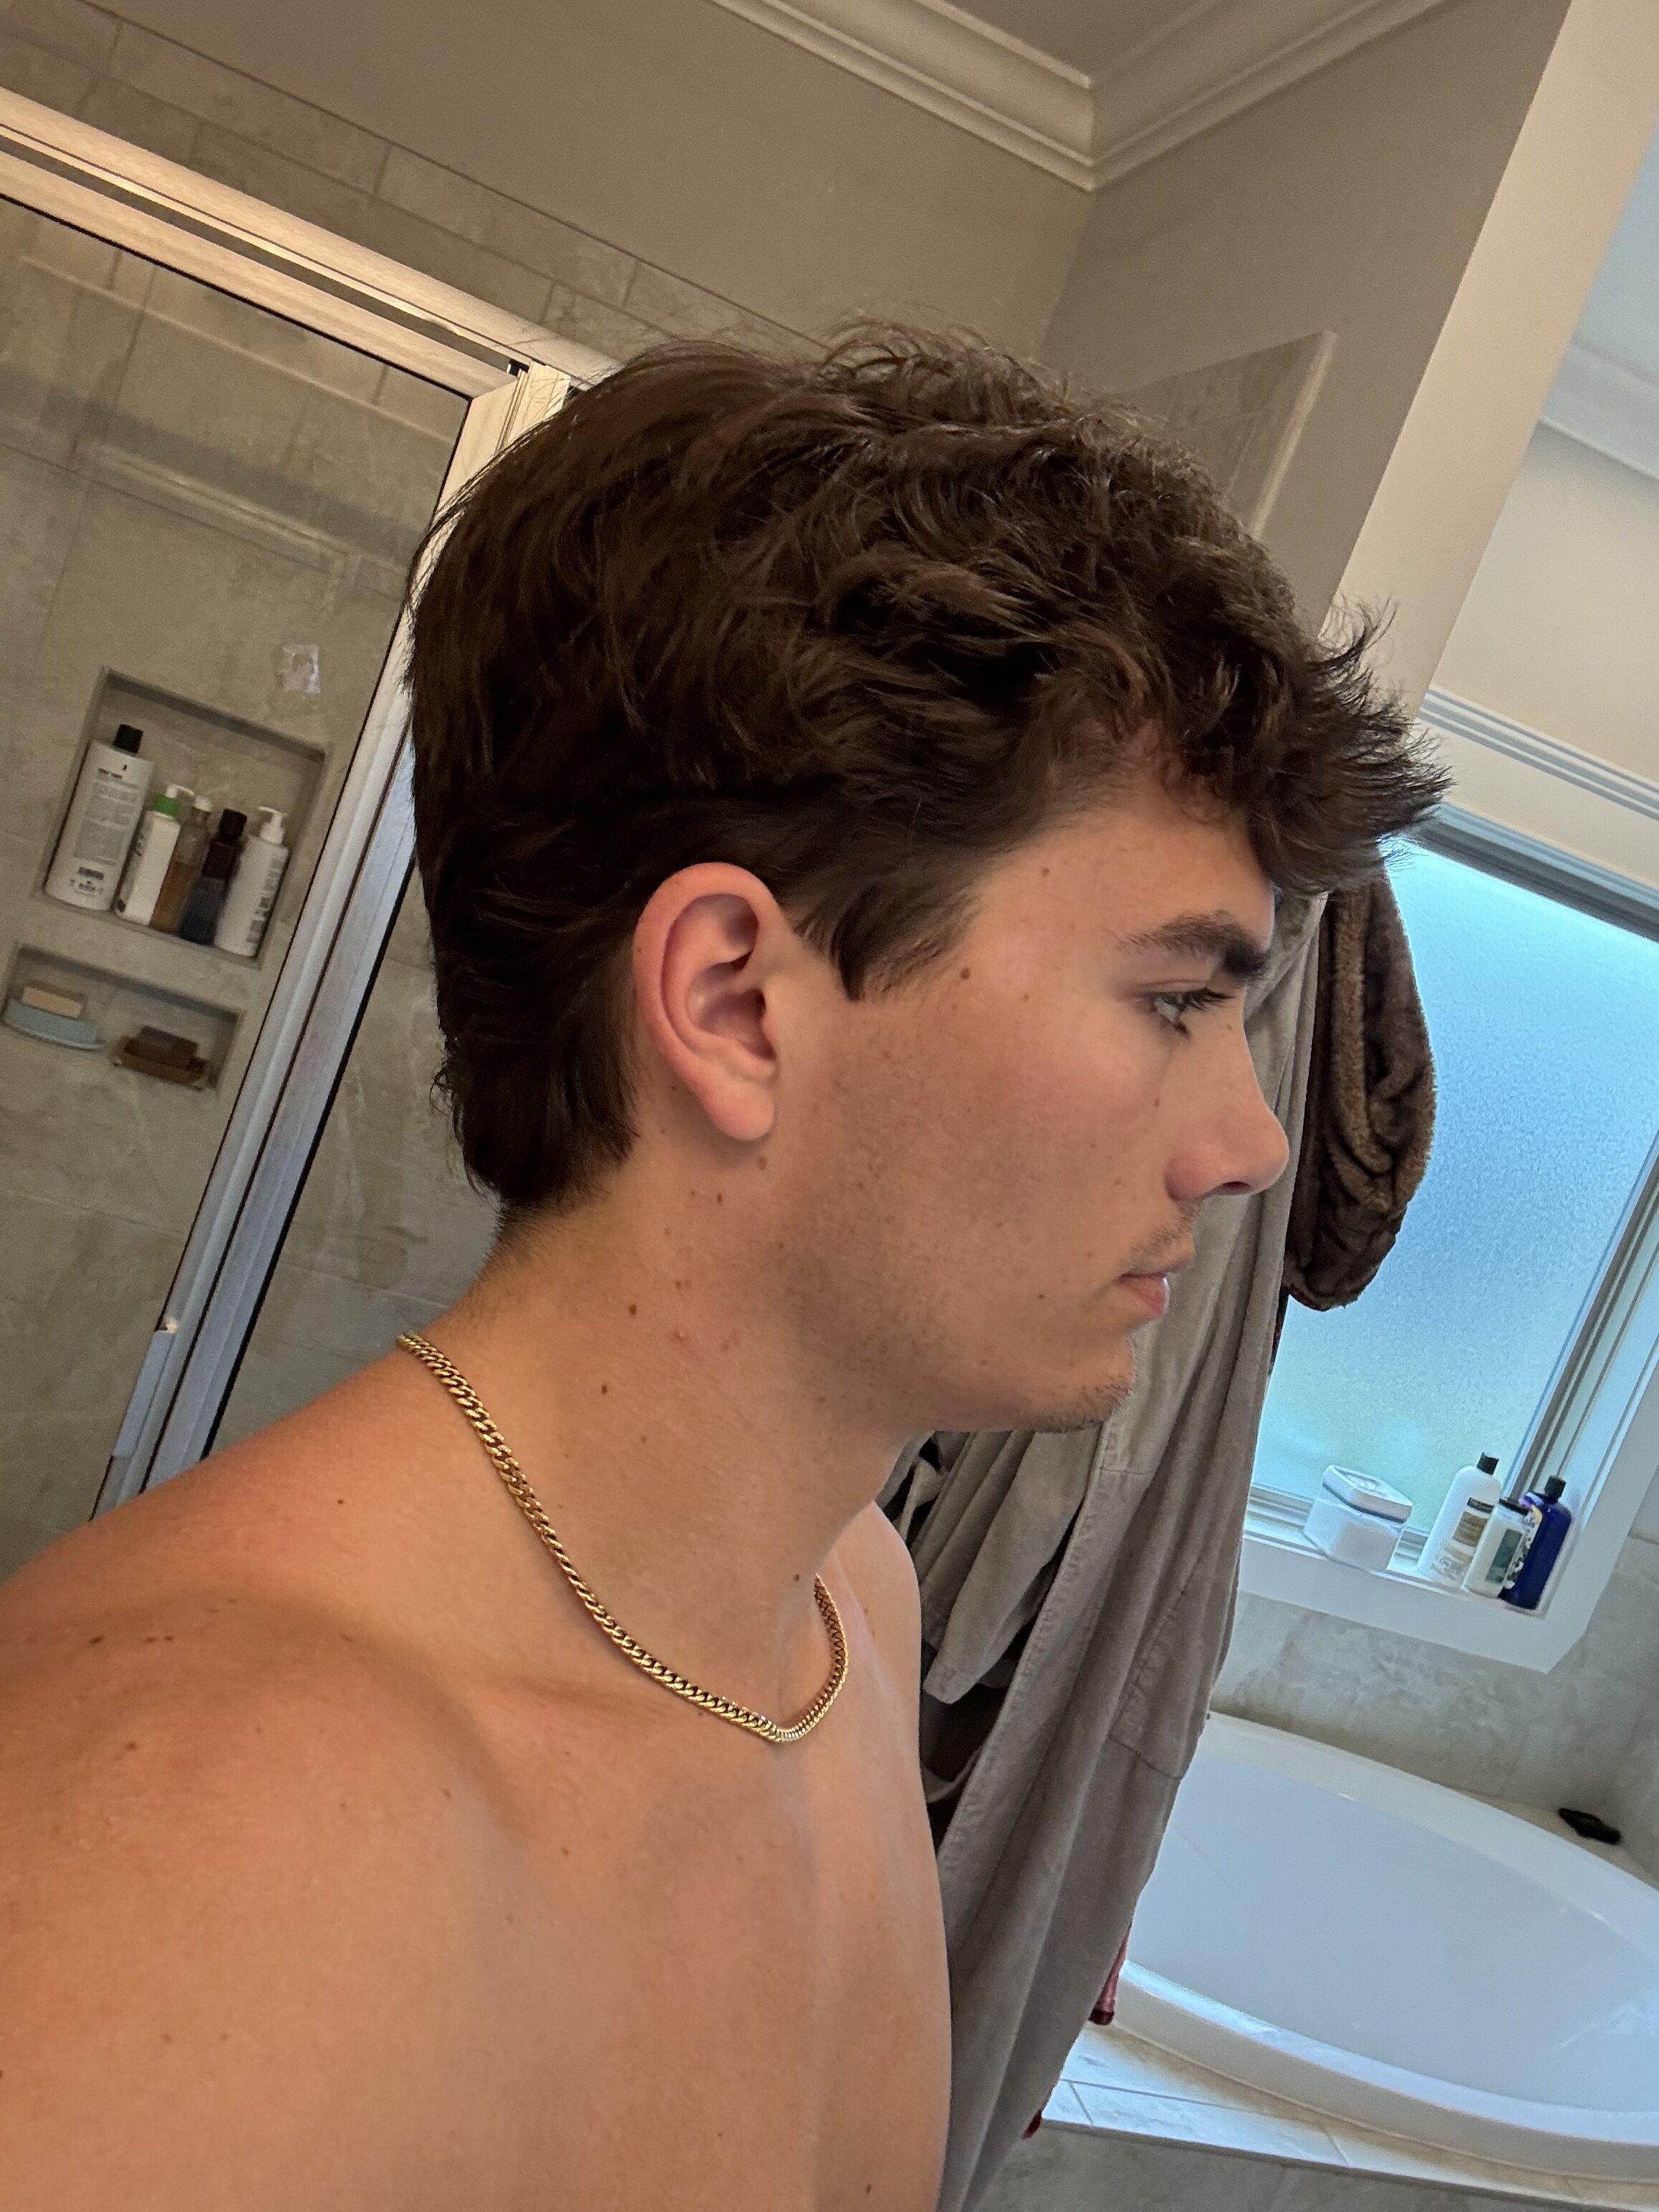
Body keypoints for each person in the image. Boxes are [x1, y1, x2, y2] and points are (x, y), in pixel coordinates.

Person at [0, 330, 1441, 2209]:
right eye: (1174, 999)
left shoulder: (847, 1613)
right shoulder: (192, 1852)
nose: (1248, 1141)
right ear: (735, 1003)